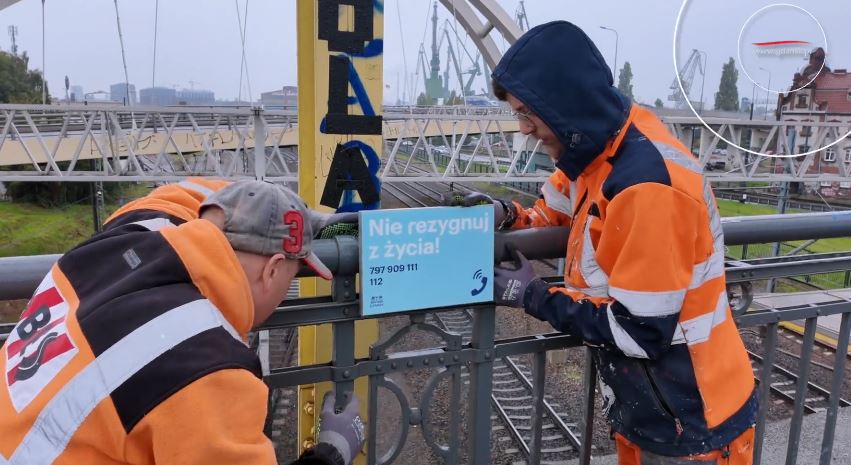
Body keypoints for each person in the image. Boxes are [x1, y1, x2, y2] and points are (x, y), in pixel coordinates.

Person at [462, 21, 757, 464]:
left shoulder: (647, 187)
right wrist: (510, 215)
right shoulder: (595, 149)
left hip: (693, 420)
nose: (523, 128)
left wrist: (532, 295)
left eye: (527, 112)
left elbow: (638, 331)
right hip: (657, 404)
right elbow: (553, 212)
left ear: (561, 104)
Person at [0, 178, 364, 465]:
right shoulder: (210, 368)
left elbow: (190, 193)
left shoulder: (123, 238)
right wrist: (333, 450)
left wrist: (298, 216)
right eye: (293, 274)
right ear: (271, 272)